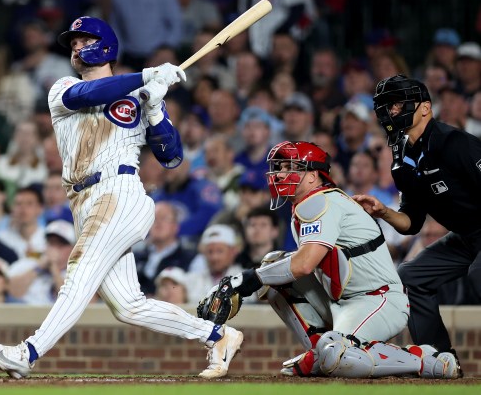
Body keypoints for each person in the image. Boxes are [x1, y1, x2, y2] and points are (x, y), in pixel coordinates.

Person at [0, 16, 243, 379]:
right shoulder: (62, 87)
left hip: (119, 193)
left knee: (79, 272)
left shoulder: (140, 94)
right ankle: (217, 335)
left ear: (105, 45)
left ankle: (27, 352)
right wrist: (146, 77)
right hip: (82, 200)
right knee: (128, 306)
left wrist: (154, 110)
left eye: (83, 40)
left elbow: (171, 157)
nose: (75, 47)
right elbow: (92, 94)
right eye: (72, 43)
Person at [202, 140, 459, 379]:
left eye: (290, 167)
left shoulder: (322, 202)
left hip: (379, 299)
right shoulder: (306, 205)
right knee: (272, 264)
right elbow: (300, 264)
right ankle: (321, 351)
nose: (279, 174)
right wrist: (253, 278)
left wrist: (244, 280)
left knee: (335, 352)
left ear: (313, 176)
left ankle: (427, 360)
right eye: (278, 168)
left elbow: (304, 264)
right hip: (342, 302)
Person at [353, 74, 481, 369]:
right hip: (465, 237)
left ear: (425, 107)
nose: (392, 112)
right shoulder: (402, 159)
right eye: (387, 106)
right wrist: (383, 211)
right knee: (411, 276)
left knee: (479, 274)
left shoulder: (455, 142)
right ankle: (440, 361)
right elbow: (412, 223)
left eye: (398, 104)